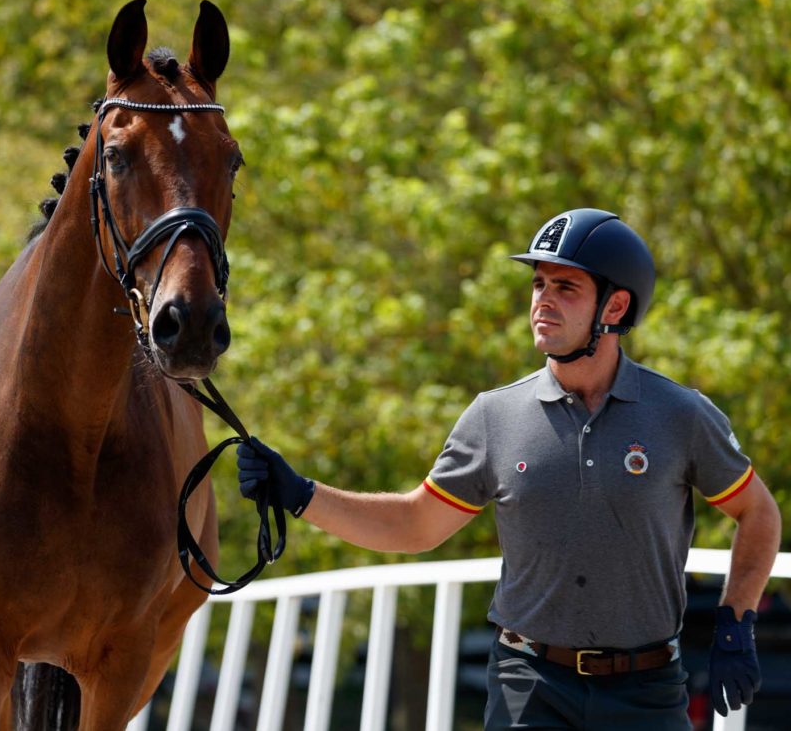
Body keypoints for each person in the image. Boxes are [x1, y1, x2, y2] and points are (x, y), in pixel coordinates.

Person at [238, 208, 782, 729]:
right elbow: (414, 524)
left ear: (615, 308)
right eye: (539, 284)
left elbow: (757, 511)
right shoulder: (492, 417)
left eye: (566, 288)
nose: (543, 301)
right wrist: (299, 493)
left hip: (649, 690)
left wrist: (737, 622)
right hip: (529, 685)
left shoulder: (680, 416)